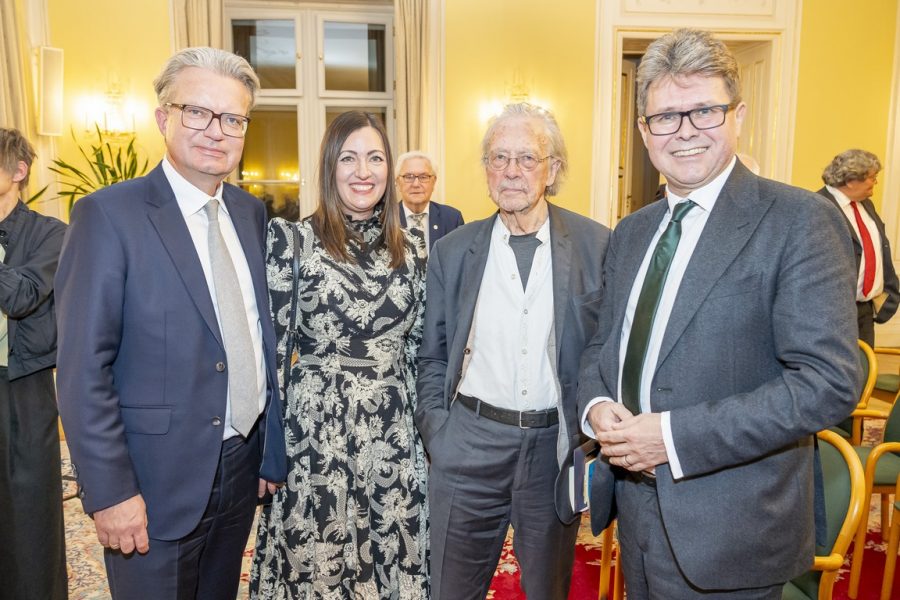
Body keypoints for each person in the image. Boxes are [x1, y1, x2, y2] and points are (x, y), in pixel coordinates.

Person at [578, 29, 859, 599]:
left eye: (703, 110)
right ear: (643, 132)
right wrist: (596, 404)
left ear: (738, 116)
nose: (683, 131)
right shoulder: (632, 233)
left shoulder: (798, 221)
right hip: (636, 512)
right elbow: (600, 346)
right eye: (665, 117)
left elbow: (828, 384)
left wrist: (675, 437)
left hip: (733, 526)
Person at [55, 47, 286, 600]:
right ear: (163, 117)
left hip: (239, 465)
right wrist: (110, 492)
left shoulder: (251, 214)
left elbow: (257, 339)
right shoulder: (109, 215)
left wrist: (266, 449)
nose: (216, 131)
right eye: (197, 112)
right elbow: (82, 368)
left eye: (232, 118)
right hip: (152, 484)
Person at [416, 102, 610, 600]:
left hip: (553, 447)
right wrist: (440, 432)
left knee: (548, 588)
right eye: (498, 158)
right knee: (452, 589)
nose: (511, 171)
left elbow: (605, 350)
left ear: (554, 169)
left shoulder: (596, 245)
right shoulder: (454, 251)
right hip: (469, 442)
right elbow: (433, 354)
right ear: (485, 170)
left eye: (527, 158)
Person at [251, 111, 429, 598]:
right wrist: (269, 451)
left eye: (375, 158)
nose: (363, 171)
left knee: (393, 555)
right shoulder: (291, 241)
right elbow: (274, 355)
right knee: (319, 562)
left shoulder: (413, 250)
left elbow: (418, 349)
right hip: (317, 437)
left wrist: (427, 436)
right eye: (348, 158)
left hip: (393, 435)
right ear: (330, 166)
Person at [0, 128, 67, 600]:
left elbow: (20, 296)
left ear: (18, 172)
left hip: (21, 386)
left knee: (28, 514)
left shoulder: (51, 234)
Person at [817, 149, 899, 346]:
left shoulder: (866, 205)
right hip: (833, 313)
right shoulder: (817, 206)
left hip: (864, 312)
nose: (875, 183)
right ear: (852, 180)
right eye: (872, 177)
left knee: (864, 373)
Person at [396, 150, 464, 253]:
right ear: (397, 182)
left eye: (423, 177)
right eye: (408, 177)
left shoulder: (452, 219)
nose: (416, 184)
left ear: (434, 182)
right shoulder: (383, 220)